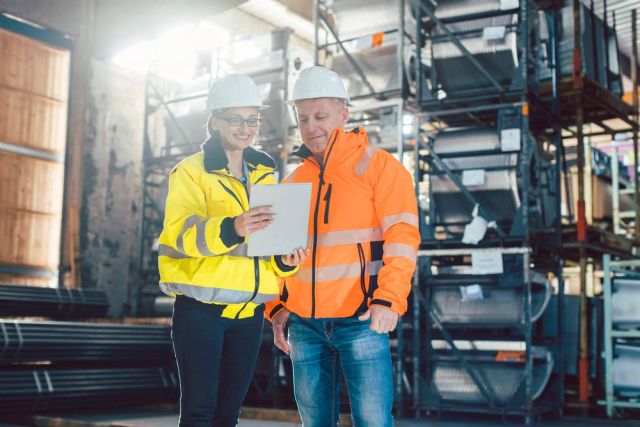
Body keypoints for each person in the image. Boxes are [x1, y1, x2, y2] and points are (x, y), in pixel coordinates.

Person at [265, 66, 420, 426]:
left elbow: (403, 239)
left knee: (372, 422)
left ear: (344, 114)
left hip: (362, 319)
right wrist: (275, 309)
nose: (311, 126)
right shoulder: (291, 182)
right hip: (304, 325)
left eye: (321, 116)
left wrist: (389, 300)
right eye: (302, 118)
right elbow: (274, 257)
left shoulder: (380, 167)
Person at [157, 73, 308, 427]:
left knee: (227, 416)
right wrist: (233, 227)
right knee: (199, 413)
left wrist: (286, 262)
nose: (246, 128)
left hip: (249, 315)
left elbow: (268, 246)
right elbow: (180, 235)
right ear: (214, 121)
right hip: (201, 313)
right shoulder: (191, 172)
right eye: (236, 119)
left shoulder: (265, 169)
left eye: (252, 119)